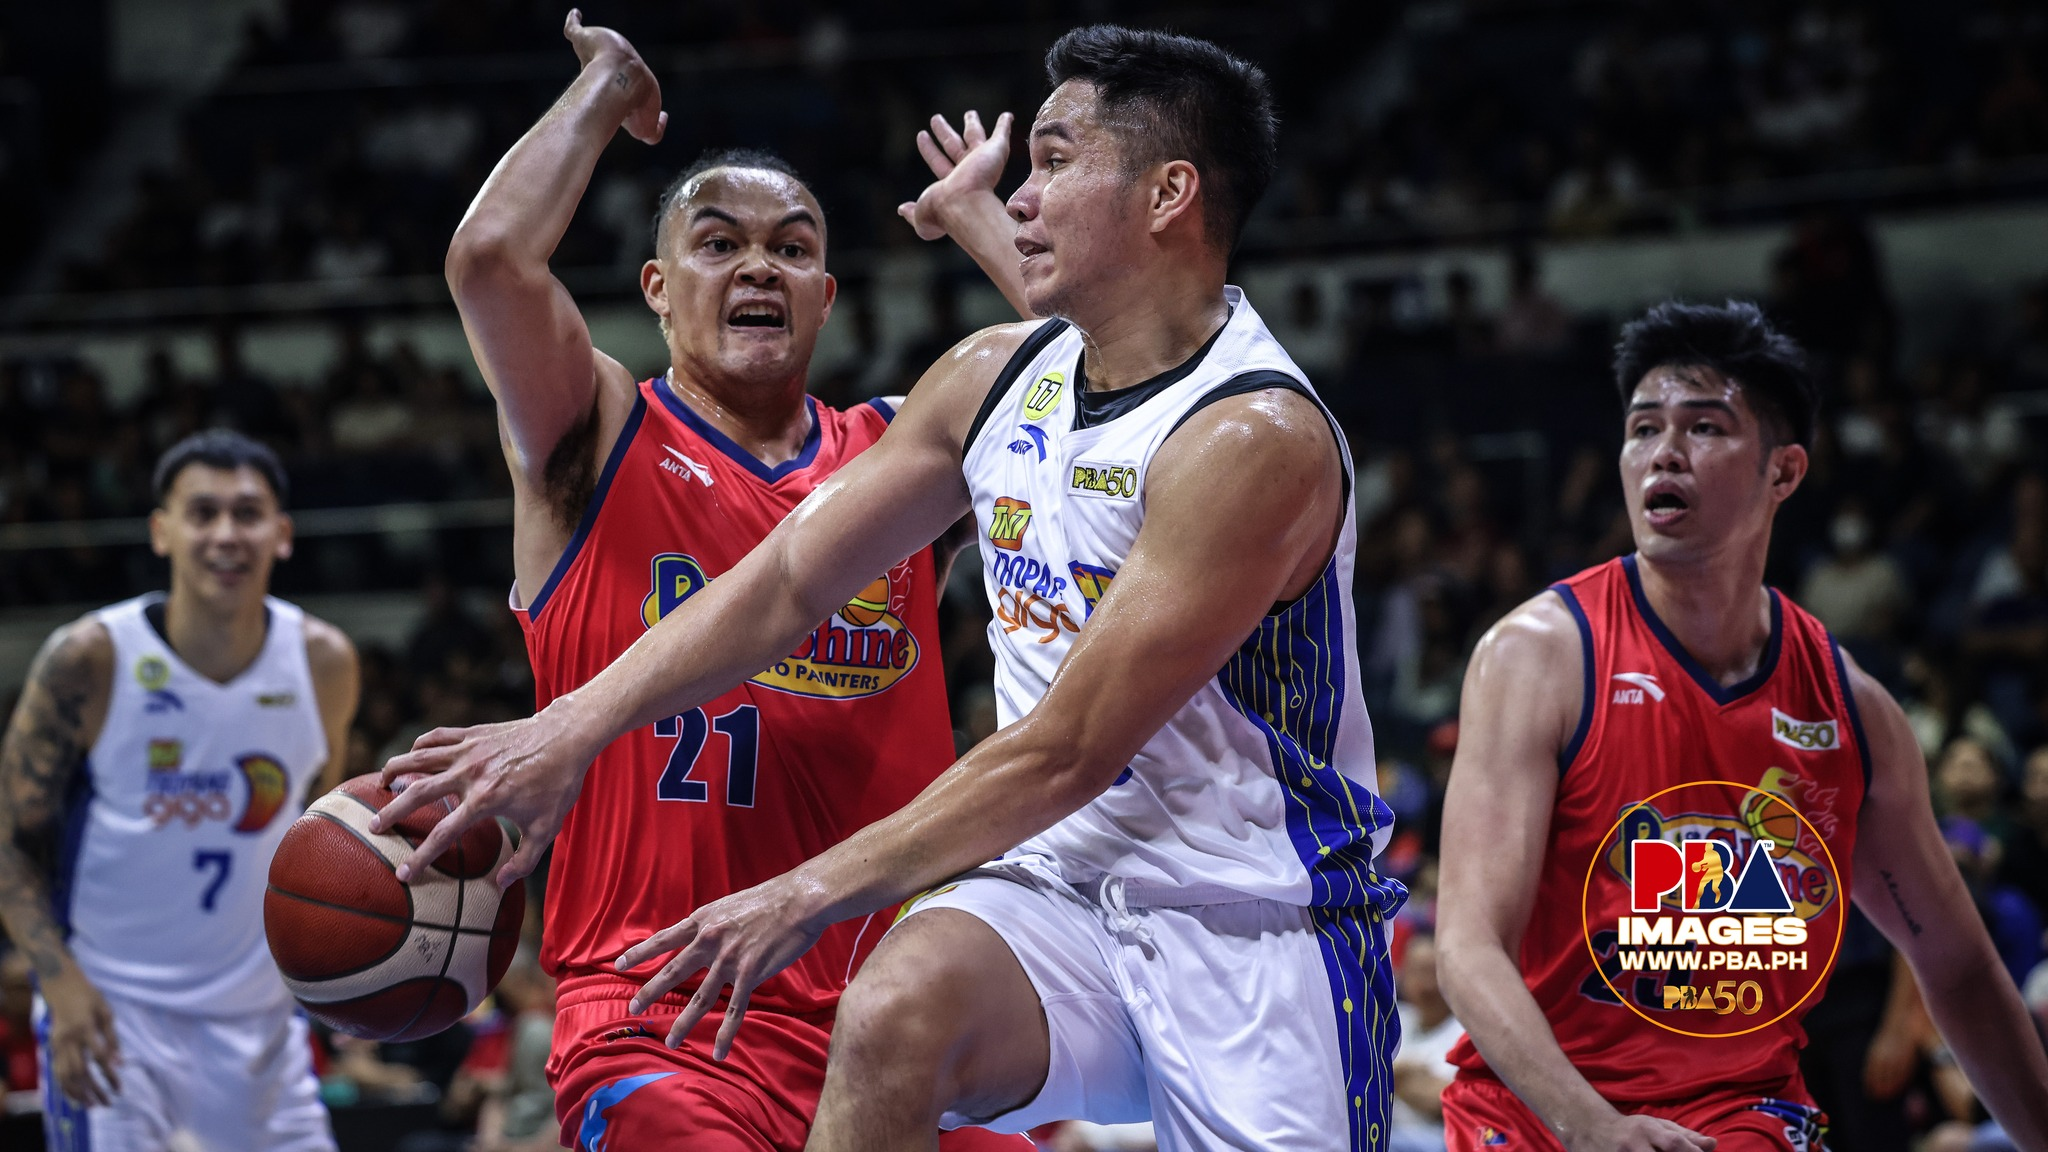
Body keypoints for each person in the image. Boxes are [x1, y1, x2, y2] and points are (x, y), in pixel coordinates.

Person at [379, 23, 1407, 1152]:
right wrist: (567, 726)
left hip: (1248, 920)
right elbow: (781, 579)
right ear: (657, 290)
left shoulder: (1245, 437)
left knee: (882, 996)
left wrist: (801, 891)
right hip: (883, 936)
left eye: (1052, 162)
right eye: (720, 245)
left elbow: (1063, 747)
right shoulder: (935, 393)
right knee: (899, 1013)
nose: (1023, 192)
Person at [397, 11, 1031, 1151]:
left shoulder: (896, 458)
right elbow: (488, 262)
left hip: (888, 1030)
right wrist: (605, 90)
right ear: (655, 285)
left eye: (792, 247)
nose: (758, 266)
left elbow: (1122, 391)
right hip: (661, 1017)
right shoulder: (595, 432)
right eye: (719, 242)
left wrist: (976, 218)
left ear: (825, 297)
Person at [1434, 301, 2048, 1152]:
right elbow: (1467, 947)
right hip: (1539, 1114)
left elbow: (1961, 968)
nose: (1664, 452)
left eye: (1704, 427)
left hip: (1740, 1116)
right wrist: (1595, 1129)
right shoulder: (1538, 656)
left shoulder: (1851, 710)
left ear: (1784, 473)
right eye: (1643, 428)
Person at [0, 429, 359, 1151]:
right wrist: (59, 984)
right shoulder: (90, 658)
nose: (226, 533)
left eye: (247, 513)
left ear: (282, 534)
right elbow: (11, 842)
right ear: (161, 531)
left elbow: (323, 841)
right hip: (113, 1019)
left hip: (262, 1027)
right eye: (202, 513)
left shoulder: (324, 664)